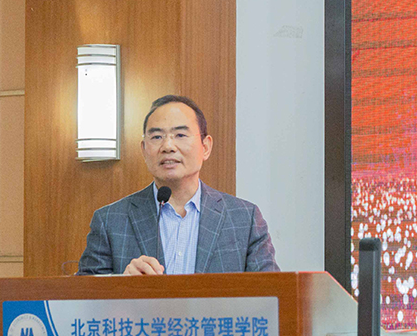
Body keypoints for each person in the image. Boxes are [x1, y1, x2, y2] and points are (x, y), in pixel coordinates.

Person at [78, 95, 279, 275]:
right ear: (144, 150)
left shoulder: (245, 220)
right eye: (157, 137)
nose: (168, 146)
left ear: (206, 147)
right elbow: (83, 296)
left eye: (180, 135)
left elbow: (271, 294)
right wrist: (121, 285)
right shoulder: (110, 221)